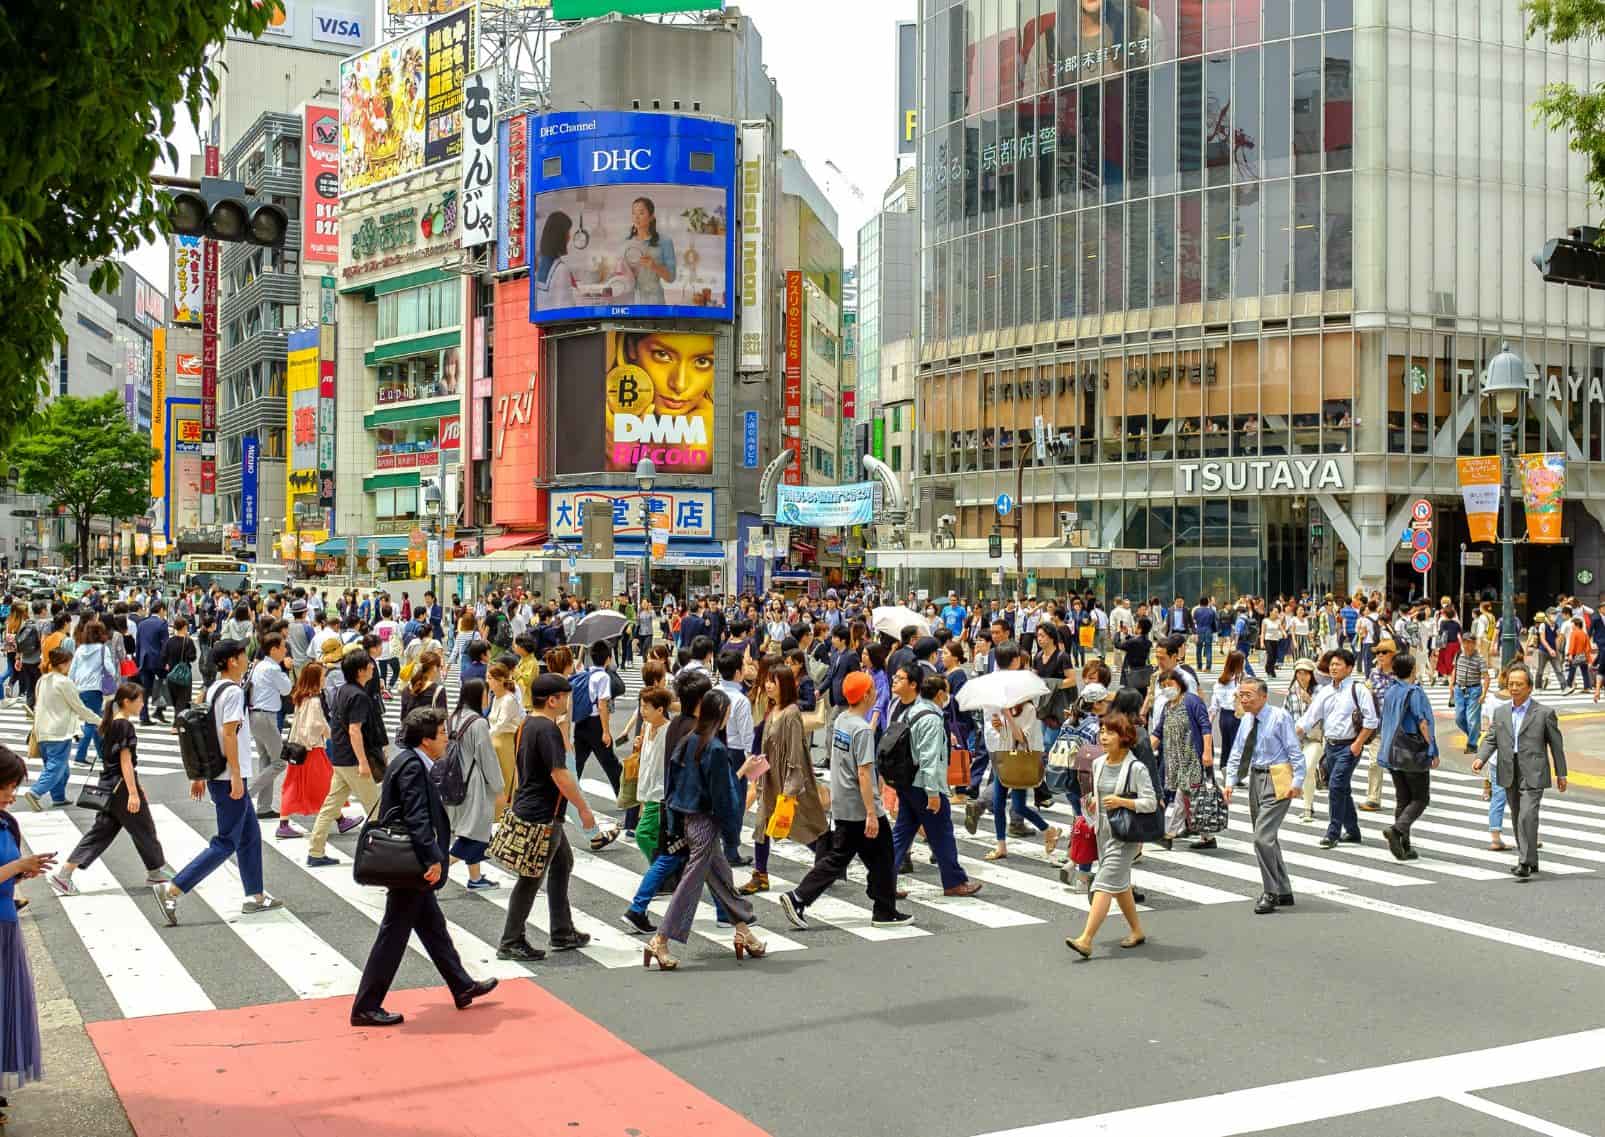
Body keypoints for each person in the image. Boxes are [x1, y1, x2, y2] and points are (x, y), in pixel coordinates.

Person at [350, 707, 499, 1028]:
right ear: (426, 739)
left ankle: (461, 985)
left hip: (411, 859)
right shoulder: (412, 767)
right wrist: (432, 858)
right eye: (443, 733)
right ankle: (366, 1005)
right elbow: (416, 816)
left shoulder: (411, 761)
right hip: (411, 861)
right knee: (393, 934)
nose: (447, 738)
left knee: (432, 927)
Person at [151, 640, 284, 924]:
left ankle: (255, 896)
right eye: (242, 654)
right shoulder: (233, 692)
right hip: (228, 776)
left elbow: (196, 731)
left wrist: (199, 774)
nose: (246, 658)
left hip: (217, 773)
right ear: (233, 661)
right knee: (225, 841)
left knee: (249, 835)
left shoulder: (212, 689)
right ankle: (172, 889)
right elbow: (228, 735)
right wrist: (236, 775)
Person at [641, 690, 766, 970]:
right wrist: (733, 833)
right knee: (690, 884)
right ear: (720, 714)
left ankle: (744, 932)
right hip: (707, 824)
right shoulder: (716, 749)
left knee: (721, 878)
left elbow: (673, 785)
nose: (729, 717)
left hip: (687, 821)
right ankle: (660, 939)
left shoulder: (689, 741)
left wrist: (674, 824)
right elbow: (723, 797)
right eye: (728, 713)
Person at [779, 669, 911, 930]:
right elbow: (863, 772)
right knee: (879, 855)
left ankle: (882, 906)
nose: (875, 694)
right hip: (860, 807)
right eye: (872, 690)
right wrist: (872, 812)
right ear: (865, 696)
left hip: (843, 803)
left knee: (852, 857)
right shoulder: (862, 730)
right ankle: (801, 897)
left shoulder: (841, 721)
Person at [497, 673, 598, 961]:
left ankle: (562, 930)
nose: (567, 701)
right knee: (531, 876)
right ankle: (511, 940)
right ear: (552, 699)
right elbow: (559, 774)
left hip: (531, 806)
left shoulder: (528, 724)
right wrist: (583, 807)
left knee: (562, 862)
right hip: (543, 814)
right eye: (564, 697)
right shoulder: (547, 729)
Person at [48, 683, 169, 895]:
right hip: (121, 787)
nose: (142, 704)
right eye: (139, 700)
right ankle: (156, 871)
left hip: (110, 785)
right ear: (126, 702)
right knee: (144, 827)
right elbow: (125, 761)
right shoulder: (124, 726)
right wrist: (133, 791)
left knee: (101, 832)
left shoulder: (112, 723)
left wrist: (136, 787)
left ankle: (64, 874)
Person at [1064, 711, 1153, 958]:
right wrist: (1094, 803)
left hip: (1126, 836)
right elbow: (1099, 795)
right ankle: (1136, 931)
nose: (1103, 736)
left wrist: (1123, 802)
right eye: (1102, 731)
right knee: (1120, 884)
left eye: (1110, 732)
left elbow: (1151, 803)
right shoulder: (1098, 763)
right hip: (1103, 832)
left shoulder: (1136, 768)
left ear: (1124, 736)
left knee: (1103, 883)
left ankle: (1086, 939)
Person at [1472, 665, 1568, 880]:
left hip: (1533, 770)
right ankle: (1531, 859)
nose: (1514, 688)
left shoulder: (1544, 713)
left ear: (1530, 688)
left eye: (1519, 684)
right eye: (1511, 684)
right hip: (1508, 768)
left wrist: (1562, 774)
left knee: (1527, 815)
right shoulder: (1501, 711)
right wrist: (1481, 757)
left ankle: (1523, 861)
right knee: (1517, 816)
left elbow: (1556, 746)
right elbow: (1491, 738)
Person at [892, 671, 982, 897]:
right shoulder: (932, 719)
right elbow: (929, 759)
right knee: (942, 833)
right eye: (946, 693)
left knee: (902, 834)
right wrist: (933, 793)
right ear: (940, 693)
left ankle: (883, 880)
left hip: (907, 782)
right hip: (924, 785)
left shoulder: (911, 711)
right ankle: (954, 882)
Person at [1222, 677, 1306, 914]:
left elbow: (1294, 750)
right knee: (1268, 837)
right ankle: (1284, 889)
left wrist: (1298, 781)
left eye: (1248, 695)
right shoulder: (1247, 720)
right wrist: (1229, 782)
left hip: (1278, 777)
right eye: (1241, 695)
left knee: (1262, 838)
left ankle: (1270, 891)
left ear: (1263, 696)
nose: (1243, 699)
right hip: (1255, 778)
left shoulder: (1279, 717)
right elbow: (1237, 751)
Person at [741, 664, 825, 895]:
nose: (767, 685)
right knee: (762, 825)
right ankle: (760, 875)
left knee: (798, 826)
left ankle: (829, 860)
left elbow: (796, 753)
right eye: (767, 680)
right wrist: (756, 776)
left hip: (787, 782)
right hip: (770, 779)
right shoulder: (773, 710)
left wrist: (790, 788)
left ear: (784, 685)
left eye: (773, 681)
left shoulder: (791, 713)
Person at [0, 746, 47, 1109]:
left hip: (6, 925)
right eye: (8, 786)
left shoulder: (5, 823)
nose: (12, 794)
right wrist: (18, 868)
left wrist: (23, 870)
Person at [305, 651, 384, 867]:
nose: (372, 668)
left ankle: (316, 851)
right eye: (369, 665)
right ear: (360, 671)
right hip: (352, 759)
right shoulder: (358, 696)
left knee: (331, 806)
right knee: (376, 808)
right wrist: (363, 762)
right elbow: (354, 730)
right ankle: (380, 854)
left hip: (340, 757)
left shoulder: (343, 691)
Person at [1295, 648, 1377, 849]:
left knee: (1336, 786)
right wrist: (1294, 734)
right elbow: (1311, 717)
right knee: (1342, 789)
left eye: (1338, 664)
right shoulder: (1326, 691)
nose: (1333, 667)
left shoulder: (1358, 690)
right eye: (1331, 664)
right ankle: (1353, 831)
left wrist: (1357, 744)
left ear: (1349, 668)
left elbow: (1372, 720)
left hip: (1349, 746)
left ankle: (1333, 832)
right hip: (1329, 746)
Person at [1374, 653, 1438, 861]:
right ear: (1412, 670)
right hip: (1411, 751)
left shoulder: (1391, 690)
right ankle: (1397, 830)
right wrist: (1432, 748)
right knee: (1420, 798)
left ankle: (1404, 845)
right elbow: (1423, 723)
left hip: (1391, 751)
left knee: (1403, 798)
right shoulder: (1414, 692)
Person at [22, 648, 100, 811]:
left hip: (42, 731)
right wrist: (100, 721)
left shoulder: (43, 680)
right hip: (59, 731)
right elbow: (79, 707)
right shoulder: (64, 683)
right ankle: (35, 792)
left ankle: (58, 797)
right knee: (56, 766)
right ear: (64, 664)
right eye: (70, 663)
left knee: (60, 769)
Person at [445, 679, 505, 890]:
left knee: (472, 828)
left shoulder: (453, 718)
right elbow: (487, 757)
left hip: (454, 780)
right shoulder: (478, 723)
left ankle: (476, 877)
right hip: (474, 782)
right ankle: (439, 868)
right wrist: (498, 787)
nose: (488, 696)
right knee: (476, 831)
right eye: (486, 693)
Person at [1153, 669, 1213, 849]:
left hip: (1193, 757)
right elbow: (1157, 732)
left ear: (1179, 683)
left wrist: (1207, 752)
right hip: (1175, 759)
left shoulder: (1192, 701)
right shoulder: (1168, 706)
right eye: (1163, 686)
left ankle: (1169, 834)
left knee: (1183, 795)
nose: (1167, 688)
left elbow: (1205, 726)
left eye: (1169, 684)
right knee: (1190, 797)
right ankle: (1207, 836)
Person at [248, 634, 295, 831]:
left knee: (266, 760)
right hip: (266, 717)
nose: (285, 650)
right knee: (279, 762)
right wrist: (288, 669)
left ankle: (264, 807)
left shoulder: (259, 666)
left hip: (255, 716)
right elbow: (287, 689)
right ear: (274, 649)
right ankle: (245, 794)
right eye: (283, 647)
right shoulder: (274, 668)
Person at [68, 621, 117, 766]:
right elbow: (110, 669)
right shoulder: (102, 649)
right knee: (91, 722)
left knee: (95, 720)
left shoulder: (80, 649)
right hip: (95, 688)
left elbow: (72, 671)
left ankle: (102, 753)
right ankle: (80, 755)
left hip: (80, 688)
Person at [1282, 658, 1323, 824]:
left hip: (1314, 737)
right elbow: (1285, 714)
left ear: (1311, 674)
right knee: (1303, 772)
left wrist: (1310, 701)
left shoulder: (1320, 691)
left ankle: (1307, 810)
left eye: (1306, 672)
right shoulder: (1292, 691)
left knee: (1306, 769)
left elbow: (1324, 713)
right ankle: (1309, 801)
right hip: (1296, 739)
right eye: (1299, 672)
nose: (1302, 676)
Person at [620, 195, 678, 304]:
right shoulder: (626, 242)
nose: (636, 217)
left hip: (654, 301)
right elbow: (620, 272)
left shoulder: (665, 241)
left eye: (641, 213)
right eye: (634, 213)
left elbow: (671, 278)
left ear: (651, 217)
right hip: (631, 301)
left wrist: (654, 266)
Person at [486, 663, 522, 819]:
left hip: (506, 743)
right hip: (494, 742)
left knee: (506, 780)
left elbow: (500, 725)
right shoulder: (496, 697)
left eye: (490, 678)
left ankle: (504, 814)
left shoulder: (508, 699)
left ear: (500, 680)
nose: (487, 681)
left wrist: (484, 736)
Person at [1452, 637, 1490, 754]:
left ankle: (1472, 745)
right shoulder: (1459, 655)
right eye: (1465, 643)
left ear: (1475, 644)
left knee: (1472, 719)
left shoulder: (1480, 659)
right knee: (1459, 718)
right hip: (1459, 689)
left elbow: (1486, 677)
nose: (1468, 646)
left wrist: (1483, 694)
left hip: (1474, 690)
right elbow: (1455, 670)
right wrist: (1452, 687)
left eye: (1470, 643)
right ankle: (1474, 734)